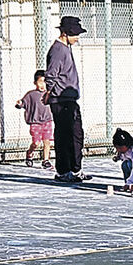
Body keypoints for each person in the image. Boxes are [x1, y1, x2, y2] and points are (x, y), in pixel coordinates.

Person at [44, 15, 89, 183]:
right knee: (65, 136)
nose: (77, 38)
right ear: (65, 33)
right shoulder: (58, 50)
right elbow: (51, 75)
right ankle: (63, 170)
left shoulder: (66, 49)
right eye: (75, 34)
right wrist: (50, 92)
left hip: (69, 99)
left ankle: (75, 168)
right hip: (61, 100)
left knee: (76, 135)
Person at [15, 69, 54, 170]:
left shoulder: (50, 94)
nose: (42, 84)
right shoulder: (31, 95)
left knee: (47, 141)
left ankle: (46, 160)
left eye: (45, 82)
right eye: (40, 81)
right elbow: (23, 103)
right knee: (36, 142)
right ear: (35, 83)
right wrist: (19, 104)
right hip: (35, 123)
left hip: (47, 121)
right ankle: (30, 153)